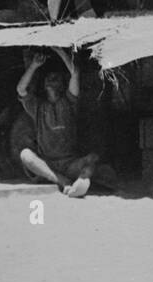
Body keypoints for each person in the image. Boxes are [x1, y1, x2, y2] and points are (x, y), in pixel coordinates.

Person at [16, 47, 117, 198]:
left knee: (92, 159)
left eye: (56, 78)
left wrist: (58, 50)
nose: (51, 79)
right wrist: (34, 65)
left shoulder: (69, 102)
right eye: (48, 78)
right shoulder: (37, 106)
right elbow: (21, 89)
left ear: (63, 85)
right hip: (47, 165)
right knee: (25, 155)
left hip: (70, 164)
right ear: (43, 85)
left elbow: (74, 73)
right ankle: (61, 181)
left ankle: (82, 180)